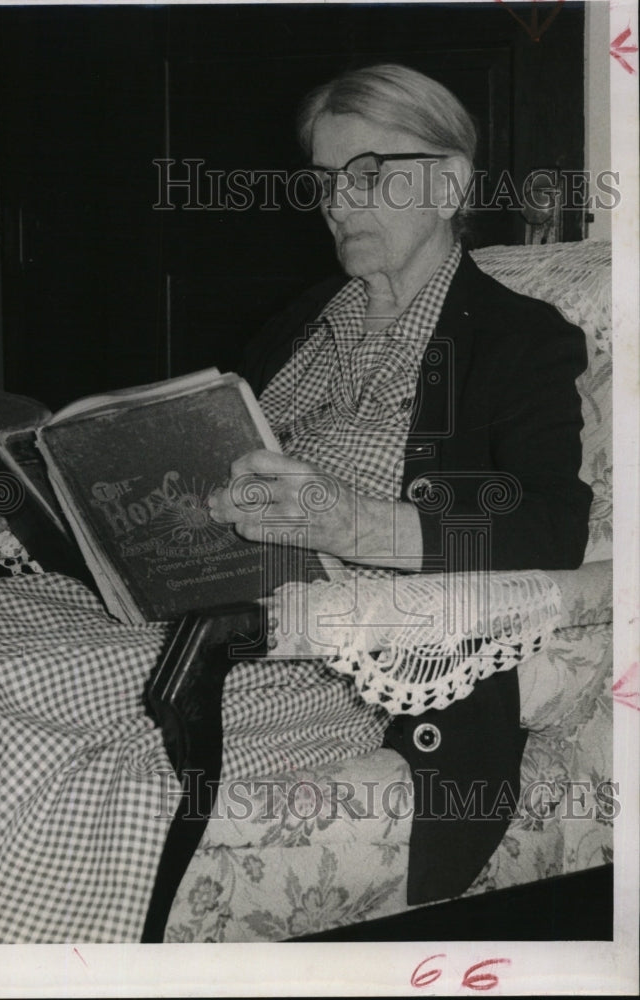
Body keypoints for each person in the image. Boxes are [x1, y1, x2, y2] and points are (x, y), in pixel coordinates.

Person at [208, 63, 592, 904]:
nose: (337, 202)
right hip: (223, 608)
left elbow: (551, 526)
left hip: (354, 660)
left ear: (449, 181)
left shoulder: (517, 340)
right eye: (322, 181)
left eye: (368, 174)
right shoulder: (299, 321)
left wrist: (356, 525)